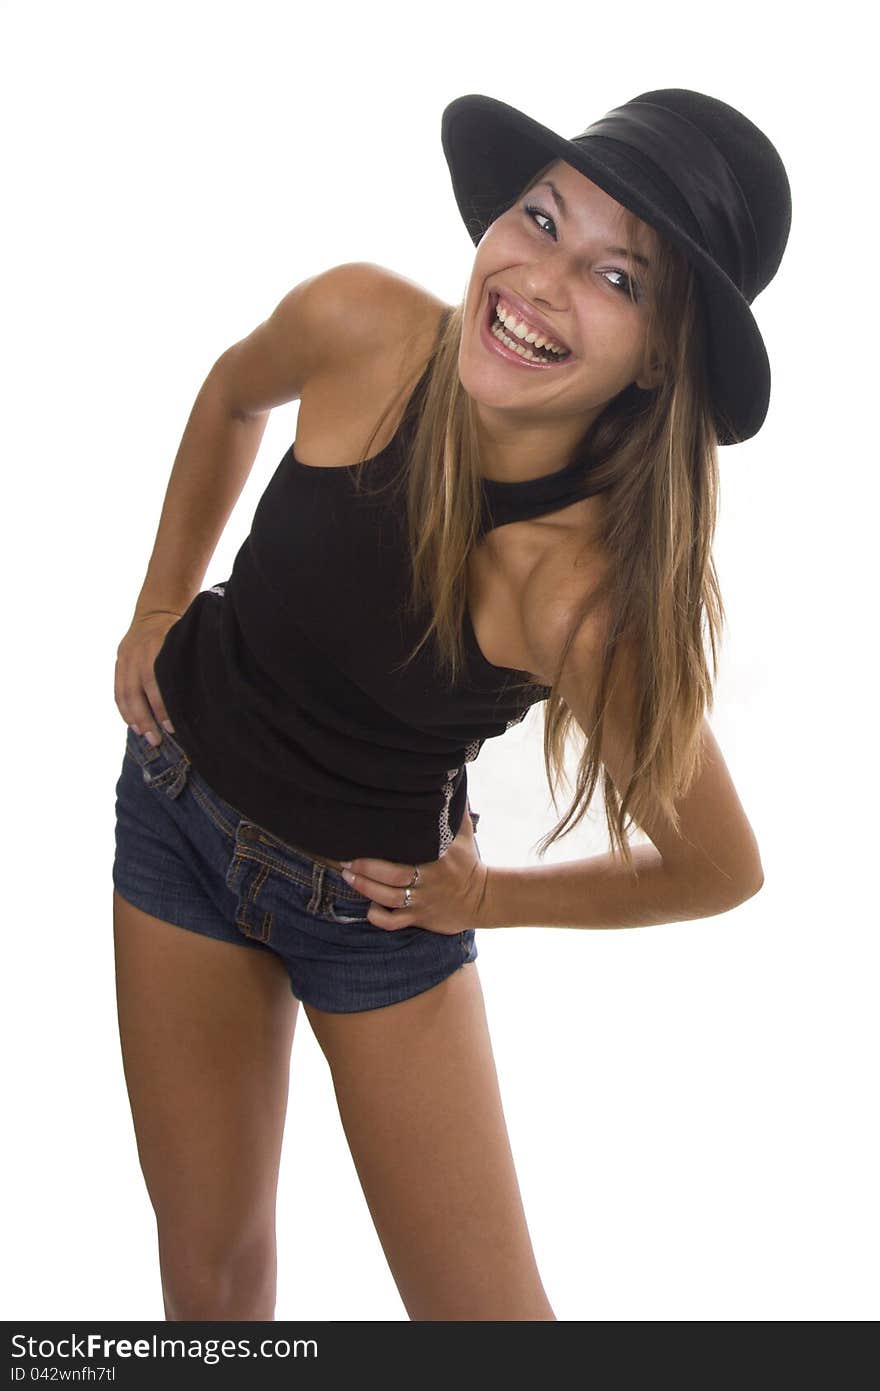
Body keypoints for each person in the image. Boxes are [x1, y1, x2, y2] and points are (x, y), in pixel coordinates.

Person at [111, 87, 791, 1321]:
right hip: (175, 804)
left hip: (370, 918)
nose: (538, 279)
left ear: (660, 362)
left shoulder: (577, 594)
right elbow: (228, 396)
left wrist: (488, 898)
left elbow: (718, 865)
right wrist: (161, 604)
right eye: (539, 216)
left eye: (617, 278)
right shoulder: (360, 321)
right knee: (209, 1280)